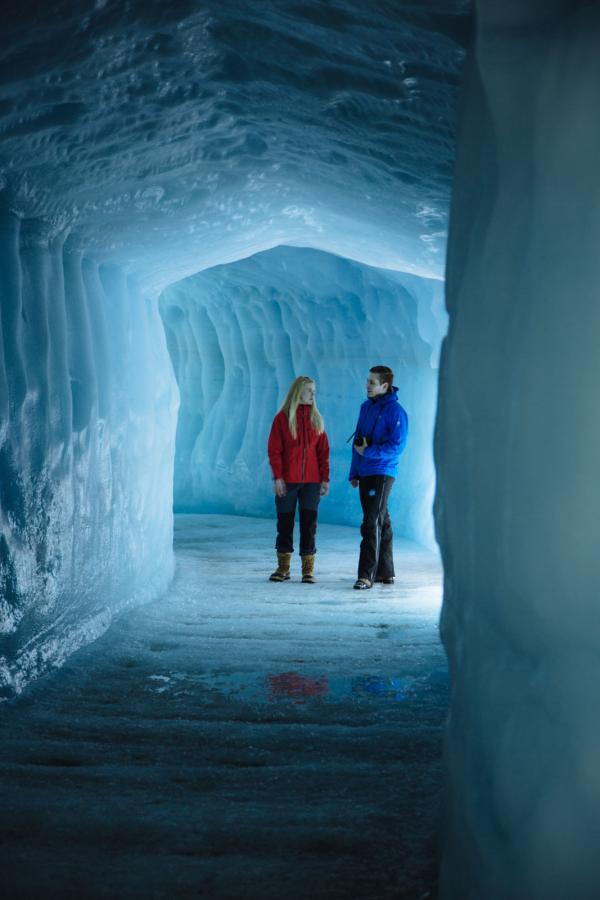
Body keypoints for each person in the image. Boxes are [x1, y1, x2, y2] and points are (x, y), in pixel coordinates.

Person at [348, 366, 408, 590]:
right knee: (382, 519)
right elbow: (358, 442)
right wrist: (355, 471)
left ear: (385, 385)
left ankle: (366, 575)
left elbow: (397, 446)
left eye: (372, 382)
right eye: (367, 381)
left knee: (371, 521)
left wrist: (369, 453)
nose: (367, 385)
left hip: (382, 471)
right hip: (365, 471)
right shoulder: (365, 408)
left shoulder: (396, 412)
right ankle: (385, 572)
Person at [267, 376, 330, 583]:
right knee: (285, 524)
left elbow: (323, 453)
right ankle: (283, 568)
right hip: (288, 481)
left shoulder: (316, 420)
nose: (313, 394)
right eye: (309, 390)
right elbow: (274, 451)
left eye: (314, 391)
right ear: (298, 392)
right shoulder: (282, 419)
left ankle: (307, 570)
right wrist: (278, 477)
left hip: (312, 482)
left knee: (309, 524)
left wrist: (324, 479)